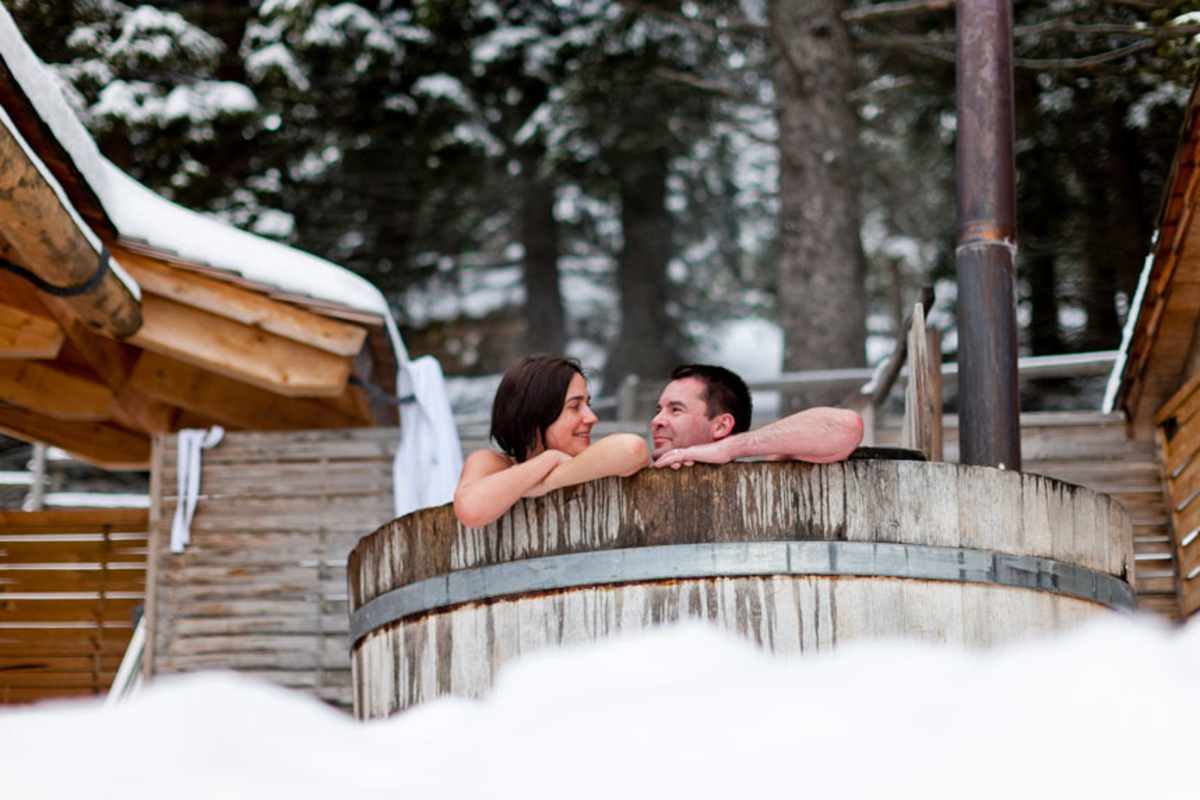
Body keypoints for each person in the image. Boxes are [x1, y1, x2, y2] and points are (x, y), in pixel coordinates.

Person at [454, 355, 648, 527]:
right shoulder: (493, 463)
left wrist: (550, 481)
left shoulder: (593, 461)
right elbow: (471, 510)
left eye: (587, 404)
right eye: (575, 406)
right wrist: (549, 459)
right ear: (535, 413)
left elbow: (632, 448)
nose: (591, 417)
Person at [650, 364, 863, 468]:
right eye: (659, 410)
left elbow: (845, 426)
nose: (656, 421)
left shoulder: (766, 471)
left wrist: (728, 448)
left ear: (721, 426)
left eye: (676, 409)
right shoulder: (634, 464)